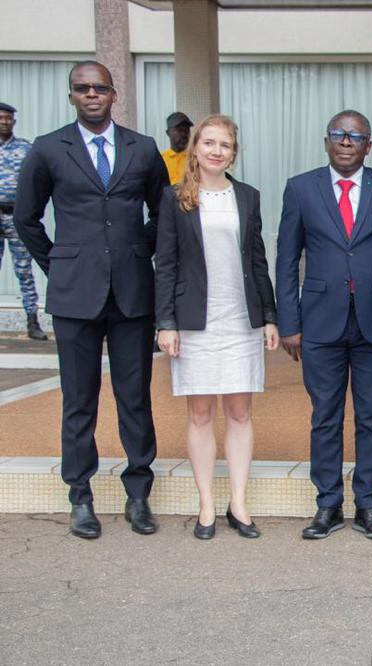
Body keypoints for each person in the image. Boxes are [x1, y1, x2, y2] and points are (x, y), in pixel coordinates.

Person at [14, 61, 170, 539]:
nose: (92, 95)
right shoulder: (47, 149)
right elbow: (26, 219)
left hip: (130, 294)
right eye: (82, 89)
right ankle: (80, 496)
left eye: (100, 88)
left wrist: (137, 251)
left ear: (113, 93)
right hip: (75, 295)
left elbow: (162, 212)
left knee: (134, 398)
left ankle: (138, 495)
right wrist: (60, 264)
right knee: (78, 401)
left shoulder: (141, 149)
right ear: (72, 96)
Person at [155, 114, 278, 540]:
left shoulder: (247, 196)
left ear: (233, 152)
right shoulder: (176, 198)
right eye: (209, 142)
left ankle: (238, 503)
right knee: (201, 412)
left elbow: (257, 260)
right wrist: (166, 322)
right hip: (194, 324)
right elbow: (165, 264)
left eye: (224, 144)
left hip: (239, 320)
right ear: (195, 147)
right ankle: (206, 504)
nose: (216, 150)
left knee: (240, 412)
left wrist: (269, 316)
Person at [276, 111, 372, 540]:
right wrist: (288, 321)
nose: (347, 142)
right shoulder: (300, 188)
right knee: (325, 417)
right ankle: (327, 503)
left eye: (356, 136)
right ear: (327, 141)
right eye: (339, 135)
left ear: (369, 145)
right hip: (319, 323)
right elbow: (287, 259)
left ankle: (368, 504)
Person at [0, 102, 46, 340]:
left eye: (9, 119)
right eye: (1, 118)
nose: (5, 122)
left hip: (15, 215)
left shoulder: (25, 149)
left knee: (24, 269)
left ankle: (32, 320)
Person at [160, 112, 193, 185]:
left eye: (186, 130)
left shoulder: (195, 159)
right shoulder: (160, 160)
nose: (184, 134)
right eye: (179, 130)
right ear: (168, 133)